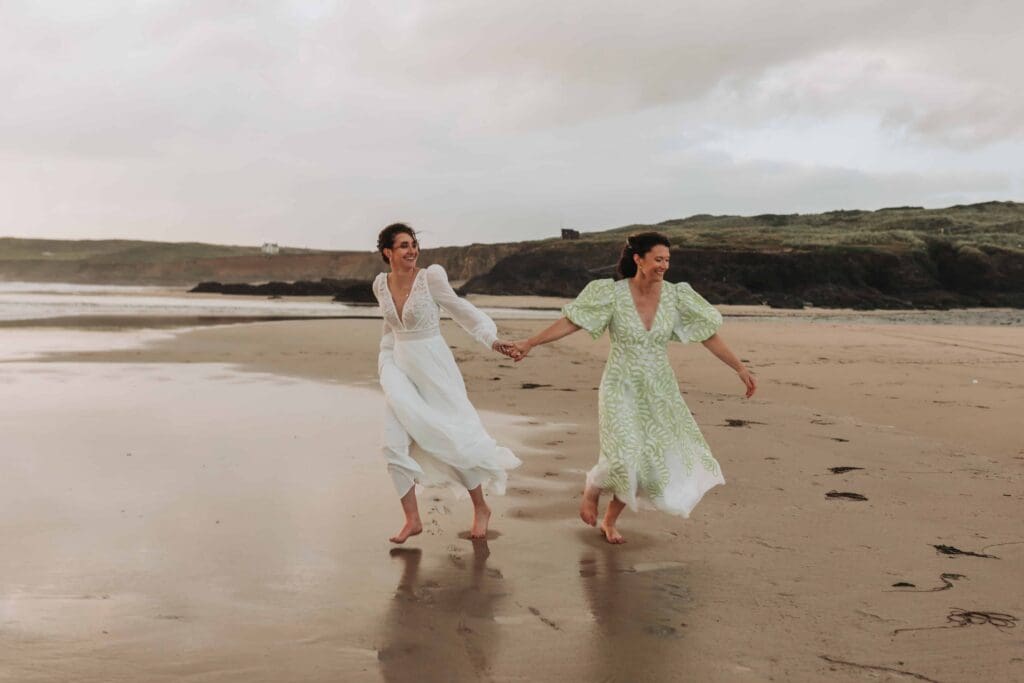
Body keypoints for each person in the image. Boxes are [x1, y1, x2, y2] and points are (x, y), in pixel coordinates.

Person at [511, 232, 756, 544]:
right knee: (623, 454)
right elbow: (572, 322)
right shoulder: (611, 294)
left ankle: (610, 520)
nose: (664, 265)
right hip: (620, 385)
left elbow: (708, 335)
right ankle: (593, 487)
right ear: (638, 259)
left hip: (659, 388)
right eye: (658, 259)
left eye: (667, 260)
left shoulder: (677, 296)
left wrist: (740, 368)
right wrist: (530, 342)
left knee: (647, 464)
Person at [373, 223, 522, 544]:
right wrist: (385, 362)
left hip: (435, 370)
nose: (411, 250)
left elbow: (461, 310)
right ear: (387, 252)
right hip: (399, 370)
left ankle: (481, 507)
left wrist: (491, 339)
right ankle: (412, 519)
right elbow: (390, 326)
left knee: (453, 438)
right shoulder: (380, 285)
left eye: (413, 244)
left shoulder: (431, 278)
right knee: (392, 445)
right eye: (403, 246)